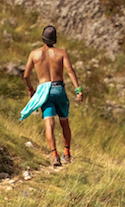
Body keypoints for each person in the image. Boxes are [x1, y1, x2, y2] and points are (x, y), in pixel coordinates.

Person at [22, 25, 82, 166]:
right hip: (59, 89)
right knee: (64, 122)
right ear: (55, 39)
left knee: (49, 123)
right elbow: (70, 71)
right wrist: (78, 90)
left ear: (42, 38)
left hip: (44, 92)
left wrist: (31, 89)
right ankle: (67, 153)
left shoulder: (34, 54)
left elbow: (26, 76)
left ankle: (55, 156)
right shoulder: (62, 53)